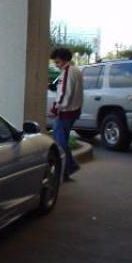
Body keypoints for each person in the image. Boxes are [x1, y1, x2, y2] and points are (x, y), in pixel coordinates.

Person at [49, 48, 84, 181]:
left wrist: (55, 109)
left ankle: (68, 168)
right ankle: (67, 170)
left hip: (65, 113)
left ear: (64, 59)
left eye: (57, 62)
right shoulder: (76, 71)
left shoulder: (67, 72)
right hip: (73, 111)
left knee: (59, 144)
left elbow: (64, 94)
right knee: (62, 142)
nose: (56, 65)